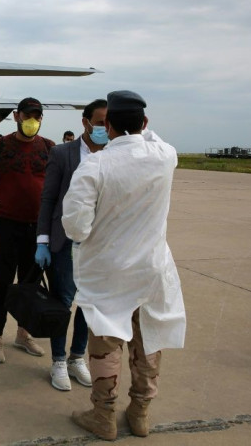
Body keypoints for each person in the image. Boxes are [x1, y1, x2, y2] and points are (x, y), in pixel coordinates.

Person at [62, 91, 186, 440]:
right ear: (144, 124)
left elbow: (75, 226)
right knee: (148, 341)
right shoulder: (164, 156)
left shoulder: (95, 165)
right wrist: (138, 130)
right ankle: (140, 412)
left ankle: (104, 415)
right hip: (152, 270)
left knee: (106, 344)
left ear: (109, 126)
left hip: (108, 273)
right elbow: (151, 137)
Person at [0, 97, 56, 364]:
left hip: (39, 229)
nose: (33, 120)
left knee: (30, 286)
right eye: (28, 115)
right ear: (16, 116)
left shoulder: (48, 148)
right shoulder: (0, 146)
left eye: (38, 116)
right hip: (8, 224)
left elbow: (58, 188)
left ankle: (23, 333)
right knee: (2, 283)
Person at [35, 99, 108, 392]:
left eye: (108, 123)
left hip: (98, 244)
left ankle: (78, 358)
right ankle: (58, 360)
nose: (105, 128)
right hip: (65, 241)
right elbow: (48, 198)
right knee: (63, 301)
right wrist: (42, 240)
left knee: (88, 306)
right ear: (86, 122)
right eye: (100, 122)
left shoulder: (115, 155)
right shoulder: (62, 153)